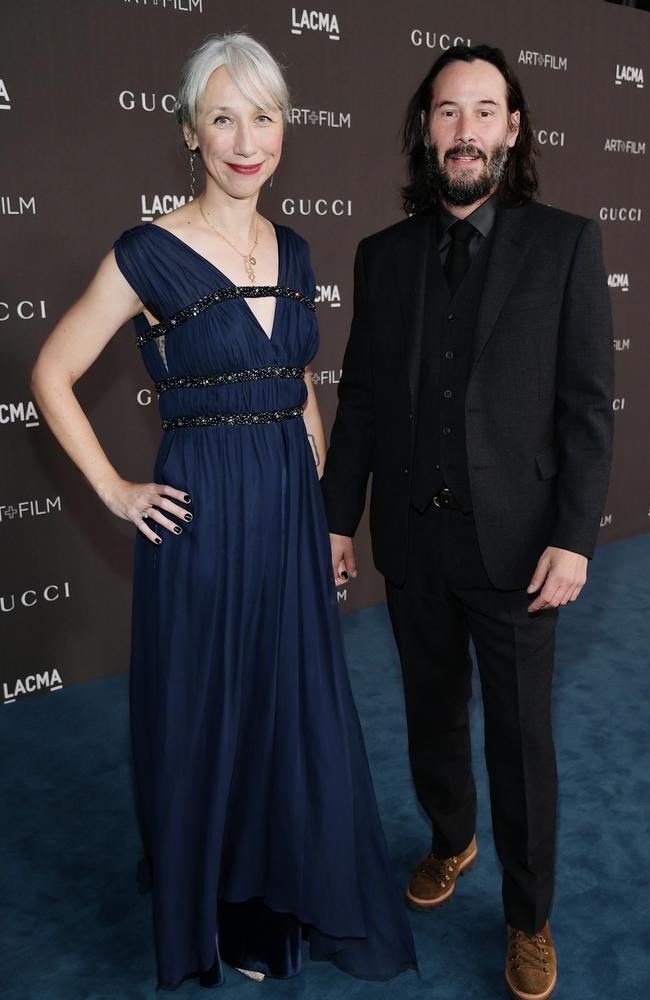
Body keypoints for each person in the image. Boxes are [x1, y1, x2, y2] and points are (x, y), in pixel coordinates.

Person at [31, 32, 416, 991]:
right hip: (201, 519)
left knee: (288, 710)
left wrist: (329, 514)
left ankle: (269, 890)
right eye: (223, 118)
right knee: (213, 711)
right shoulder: (148, 252)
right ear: (190, 134)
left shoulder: (294, 246)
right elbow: (50, 371)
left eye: (265, 116)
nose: (247, 140)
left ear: (286, 126)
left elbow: (298, 388)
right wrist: (118, 490)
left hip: (288, 509)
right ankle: (208, 898)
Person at [321, 44, 614, 1000]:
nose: (466, 131)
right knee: (431, 716)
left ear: (513, 129)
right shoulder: (383, 256)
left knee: (523, 745)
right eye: (448, 112)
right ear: (424, 128)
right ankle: (452, 838)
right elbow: (359, 401)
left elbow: (585, 404)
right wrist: (337, 521)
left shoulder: (566, 244)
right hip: (414, 542)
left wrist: (575, 535)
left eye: (485, 111)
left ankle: (528, 917)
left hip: (523, 548)